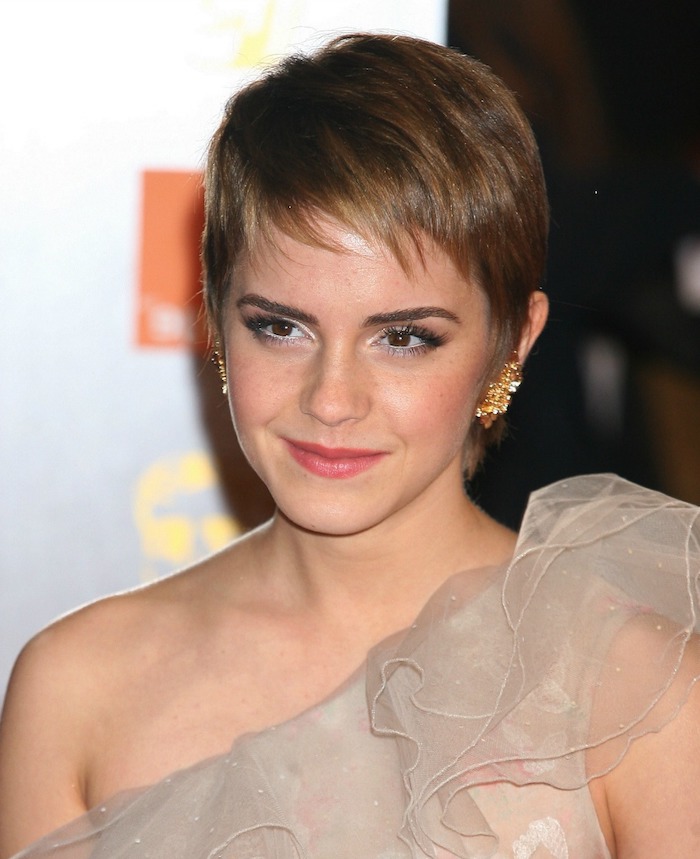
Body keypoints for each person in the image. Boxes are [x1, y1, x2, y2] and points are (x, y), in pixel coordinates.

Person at [1, 32, 699, 859]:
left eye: (403, 338)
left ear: (513, 342)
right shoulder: (77, 687)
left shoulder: (634, 691)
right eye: (280, 327)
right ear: (216, 321)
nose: (331, 399)